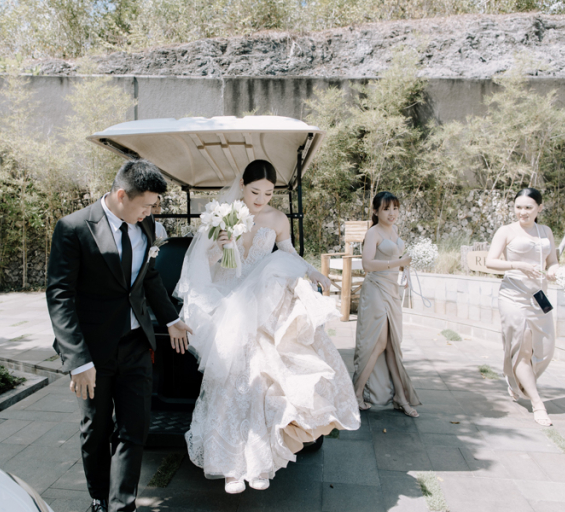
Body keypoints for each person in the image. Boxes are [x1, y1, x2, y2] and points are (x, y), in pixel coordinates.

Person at [175, 160, 360, 495]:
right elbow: (206, 263)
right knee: (229, 384)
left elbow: (288, 254)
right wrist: (222, 244)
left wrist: (314, 272)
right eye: (255, 191)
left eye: (268, 193)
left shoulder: (277, 219)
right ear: (242, 186)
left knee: (261, 383)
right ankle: (230, 467)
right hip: (228, 303)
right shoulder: (224, 215)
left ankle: (260, 462)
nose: (261, 199)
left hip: (262, 306)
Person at [46, 159, 194, 512]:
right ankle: (100, 497)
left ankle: (122, 505)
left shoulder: (145, 225)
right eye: (146, 205)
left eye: (154, 207)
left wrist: (171, 318)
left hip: (136, 344)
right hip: (92, 352)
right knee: (96, 429)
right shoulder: (73, 228)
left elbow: (148, 276)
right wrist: (77, 361)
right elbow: (60, 295)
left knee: (135, 428)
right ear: (121, 195)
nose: (150, 213)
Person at [485, 187, 558, 426]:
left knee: (546, 349)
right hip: (513, 296)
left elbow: (553, 261)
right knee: (523, 350)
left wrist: (555, 272)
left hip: (539, 296)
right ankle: (537, 403)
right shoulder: (506, 231)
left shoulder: (545, 231)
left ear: (539, 208)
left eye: (528, 207)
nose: (522, 212)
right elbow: (490, 261)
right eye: (518, 207)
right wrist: (517, 265)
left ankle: (516, 380)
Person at [353, 191, 420, 417]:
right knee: (379, 342)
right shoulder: (373, 232)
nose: (392, 213)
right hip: (375, 289)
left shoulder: (395, 230)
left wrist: (403, 269)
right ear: (376, 211)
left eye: (395, 208)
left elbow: (393, 261)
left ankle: (400, 396)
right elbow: (367, 265)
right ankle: (357, 393)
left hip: (392, 289)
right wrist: (398, 262)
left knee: (393, 344)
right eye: (386, 209)